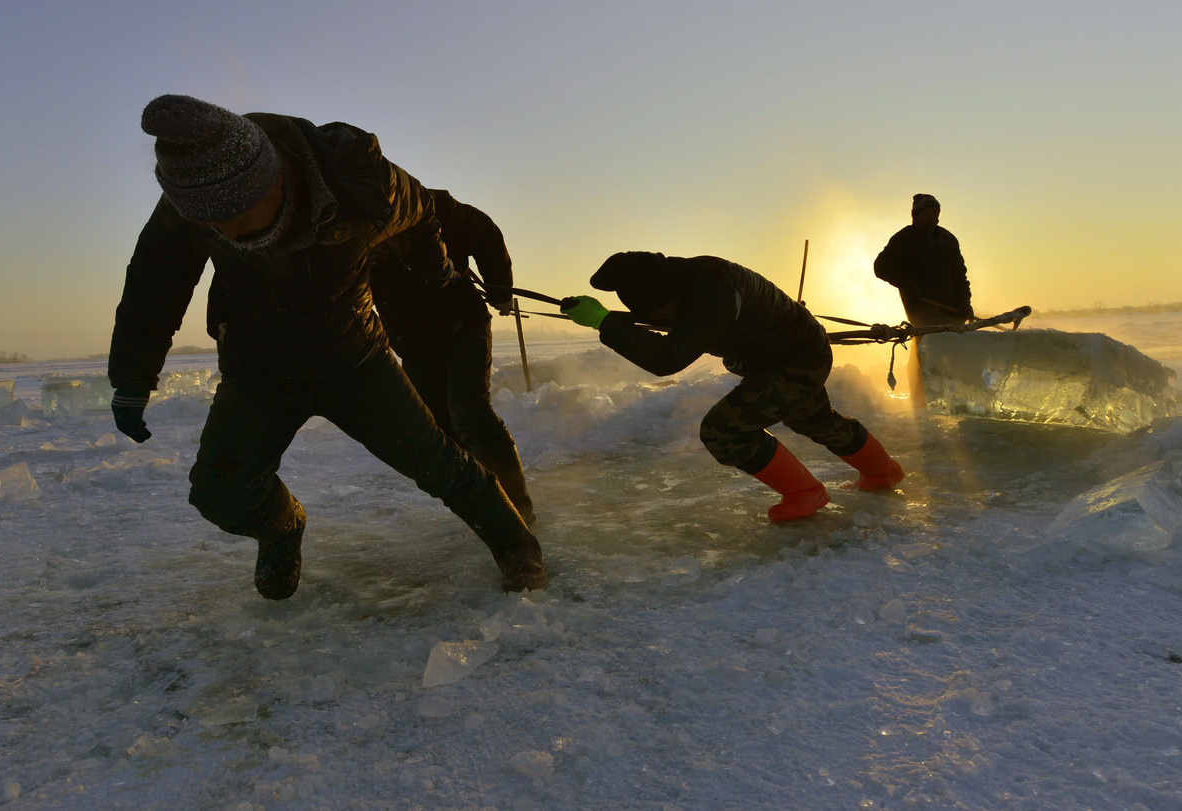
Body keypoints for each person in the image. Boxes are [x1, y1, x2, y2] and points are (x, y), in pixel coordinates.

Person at [107, 94, 545, 600]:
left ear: (275, 180)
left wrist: (434, 264)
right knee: (219, 494)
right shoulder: (192, 199)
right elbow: (152, 286)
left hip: (354, 358)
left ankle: (516, 545)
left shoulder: (359, 180)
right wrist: (132, 379)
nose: (228, 233)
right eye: (213, 225)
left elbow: (425, 209)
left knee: (439, 462)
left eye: (240, 215)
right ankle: (281, 528)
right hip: (258, 367)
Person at [560, 252, 904, 522]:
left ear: (665, 295)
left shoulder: (711, 294)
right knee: (814, 419)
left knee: (723, 431)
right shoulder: (687, 279)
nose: (664, 320)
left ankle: (805, 493)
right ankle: (882, 471)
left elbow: (668, 358)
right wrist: (614, 321)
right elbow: (675, 325)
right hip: (788, 353)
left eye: (660, 313)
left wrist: (605, 322)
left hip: (796, 359)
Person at [370, 191, 536, 524]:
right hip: (413, 342)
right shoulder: (339, 228)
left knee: (471, 413)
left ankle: (519, 508)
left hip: (462, 324)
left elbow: (485, 233)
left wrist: (500, 290)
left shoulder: (425, 203)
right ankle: (487, 504)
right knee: (439, 430)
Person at [874, 193, 973, 326]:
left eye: (934, 212)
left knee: (955, 344)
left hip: (953, 312)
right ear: (916, 214)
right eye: (926, 212)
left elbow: (960, 276)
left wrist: (965, 304)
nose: (931, 216)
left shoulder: (948, 239)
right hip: (922, 311)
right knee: (927, 345)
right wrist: (907, 284)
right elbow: (881, 266)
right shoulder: (904, 238)